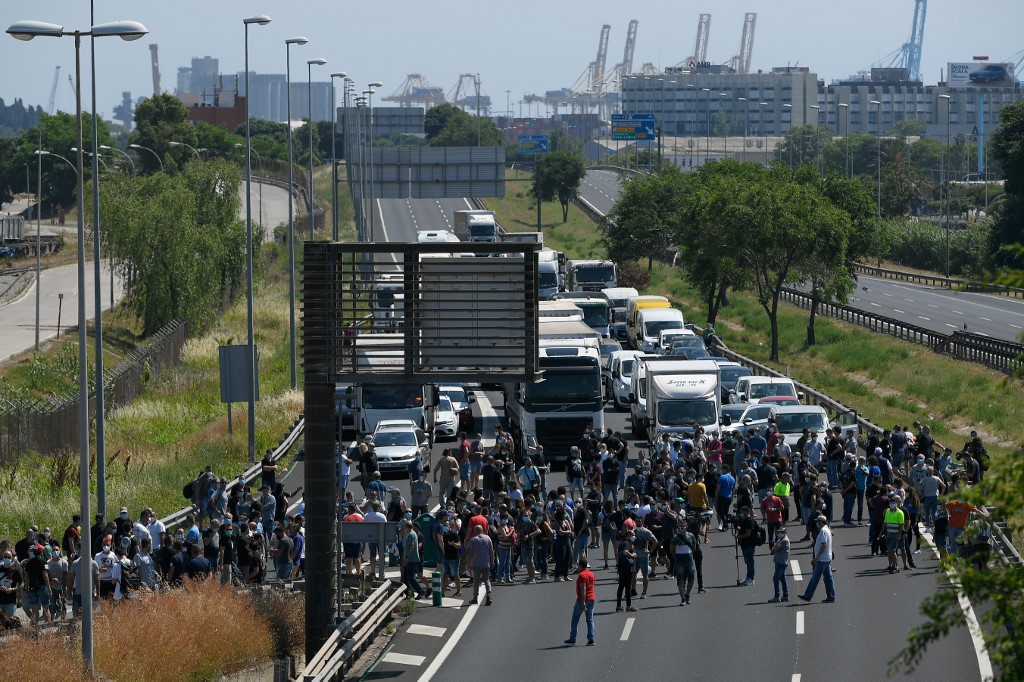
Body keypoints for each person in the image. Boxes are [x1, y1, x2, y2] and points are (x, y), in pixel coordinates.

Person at [799, 516, 835, 603]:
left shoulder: (823, 531)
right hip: (827, 558)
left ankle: (807, 596)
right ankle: (831, 596)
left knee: (815, 578)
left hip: (822, 559)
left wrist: (816, 558)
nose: (817, 524)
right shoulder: (827, 530)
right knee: (828, 578)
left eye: (818, 522)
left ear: (821, 522)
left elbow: (824, 545)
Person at [565, 556, 596, 646]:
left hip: (583, 599)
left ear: (580, 566)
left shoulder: (582, 575)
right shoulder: (591, 574)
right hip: (592, 599)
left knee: (575, 618)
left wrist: (583, 602)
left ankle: (573, 638)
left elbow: (583, 589)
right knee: (590, 620)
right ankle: (591, 639)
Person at [670, 522, 697, 606]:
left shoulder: (691, 536)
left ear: (686, 526)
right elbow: (672, 549)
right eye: (680, 526)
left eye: (683, 526)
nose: (682, 528)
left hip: (688, 558)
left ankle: (687, 594)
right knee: (680, 580)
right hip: (679, 559)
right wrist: (676, 557)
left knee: (691, 579)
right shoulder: (675, 538)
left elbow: (694, 546)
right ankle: (683, 598)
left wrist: (690, 554)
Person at [466, 525, 494, 606]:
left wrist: (469, 563)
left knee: (476, 582)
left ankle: (475, 598)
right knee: (487, 580)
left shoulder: (473, 540)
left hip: (476, 564)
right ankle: (489, 596)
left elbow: (470, 553)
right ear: (482, 530)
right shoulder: (488, 538)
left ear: (475, 531)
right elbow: (491, 550)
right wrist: (492, 561)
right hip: (486, 563)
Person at [734, 505, 757, 586]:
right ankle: (748, 577)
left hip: (749, 544)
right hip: (744, 544)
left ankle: (751, 579)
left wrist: (738, 536)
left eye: (742, 512)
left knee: (750, 562)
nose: (741, 514)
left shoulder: (749, 521)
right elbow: (743, 530)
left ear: (747, 512)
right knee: (747, 562)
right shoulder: (744, 521)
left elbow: (748, 533)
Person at [614, 535, 637, 612]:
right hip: (626, 568)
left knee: (621, 586)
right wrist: (633, 555)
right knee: (627, 586)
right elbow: (625, 552)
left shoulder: (622, 543)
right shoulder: (626, 544)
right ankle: (628, 606)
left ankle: (619, 606)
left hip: (621, 567)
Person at [768, 526, 790, 603]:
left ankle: (777, 596)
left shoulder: (784, 540)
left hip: (781, 563)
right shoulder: (781, 539)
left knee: (776, 578)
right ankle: (785, 595)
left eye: (781, 532)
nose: (779, 533)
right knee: (783, 579)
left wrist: (774, 549)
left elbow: (775, 549)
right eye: (779, 532)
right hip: (779, 562)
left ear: (785, 533)